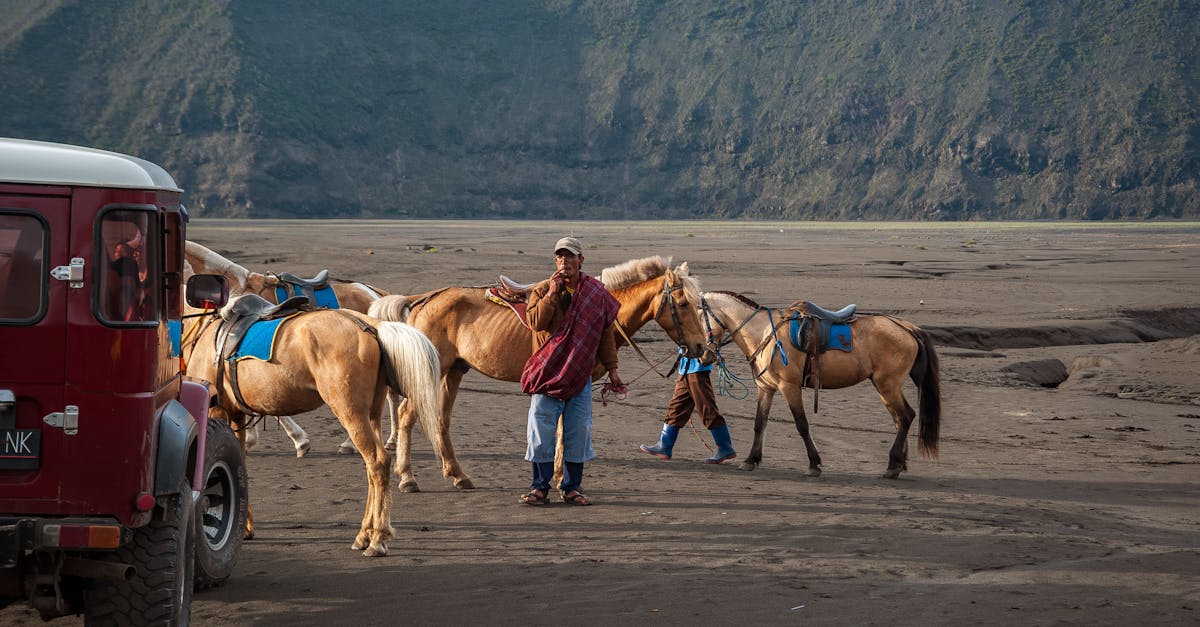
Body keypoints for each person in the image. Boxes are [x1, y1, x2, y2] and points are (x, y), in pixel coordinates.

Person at [519, 236, 623, 506]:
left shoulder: (596, 293)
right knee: (541, 432)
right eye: (560, 257)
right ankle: (539, 488)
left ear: (581, 260)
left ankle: (571, 488)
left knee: (578, 433)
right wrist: (552, 295)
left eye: (570, 256)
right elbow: (535, 322)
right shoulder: (542, 290)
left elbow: (605, 334)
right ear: (555, 261)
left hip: (579, 376)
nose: (564, 261)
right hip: (548, 375)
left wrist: (612, 370)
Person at [639, 350, 736, 463]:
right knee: (676, 408)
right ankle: (664, 446)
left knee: (707, 409)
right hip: (685, 370)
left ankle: (725, 448)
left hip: (698, 370)